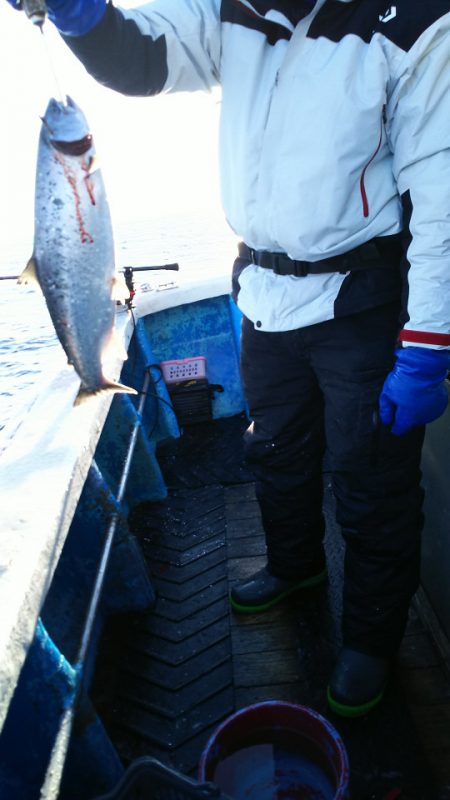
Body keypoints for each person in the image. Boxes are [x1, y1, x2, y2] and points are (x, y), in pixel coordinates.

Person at [7, 0, 450, 718]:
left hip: (360, 304)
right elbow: (141, 56)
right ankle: (296, 566)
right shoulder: (235, 9)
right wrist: (78, 13)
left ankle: (372, 638)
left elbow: (443, 190)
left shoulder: (415, 23)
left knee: (373, 484)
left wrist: (426, 347)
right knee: (275, 452)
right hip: (264, 297)